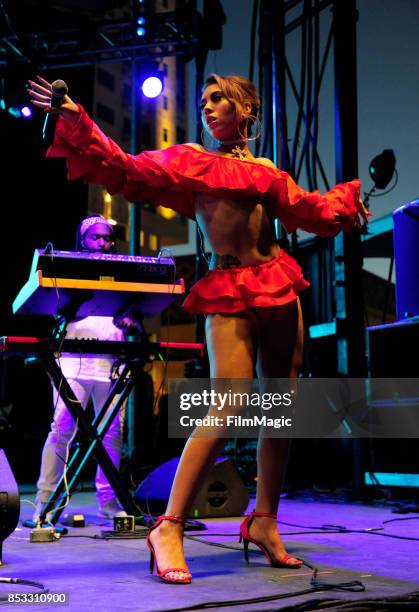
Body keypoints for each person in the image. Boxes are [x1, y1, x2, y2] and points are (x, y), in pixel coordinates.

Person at [28, 74, 369, 581]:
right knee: (228, 404)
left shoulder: (268, 170)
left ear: (245, 108)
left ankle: (265, 522)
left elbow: (310, 211)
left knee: (279, 409)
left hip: (277, 284)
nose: (207, 109)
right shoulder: (192, 159)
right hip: (228, 287)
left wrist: (346, 207)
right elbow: (123, 166)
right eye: (204, 101)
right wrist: (77, 119)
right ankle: (168, 527)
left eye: (218, 100)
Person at [33, 215, 129, 522]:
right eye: (97, 238)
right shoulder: (70, 270)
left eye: (109, 239)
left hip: (112, 362)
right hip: (73, 362)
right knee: (62, 430)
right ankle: (45, 506)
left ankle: (110, 505)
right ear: (83, 241)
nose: (104, 243)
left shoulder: (124, 273)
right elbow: (54, 309)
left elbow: (137, 311)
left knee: (112, 435)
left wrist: (132, 321)